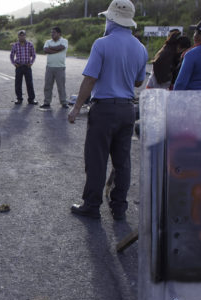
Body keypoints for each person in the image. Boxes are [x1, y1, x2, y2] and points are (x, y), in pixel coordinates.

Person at [67, 0, 147, 220]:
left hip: (104, 110)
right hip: (128, 109)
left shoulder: (101, 44)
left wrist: (76, 108)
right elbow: (139, 82)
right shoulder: (140, 48)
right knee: (123, 162)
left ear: (111, 19)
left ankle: (92, 206)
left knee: (97, 159)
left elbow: (90, 79)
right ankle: (119, 207)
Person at [40, 26, 69, 109]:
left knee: (61, 86)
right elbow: (45, 50)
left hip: (60, 67)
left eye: (54, 32)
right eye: (51, 32)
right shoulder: (48, 41)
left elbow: (61, 47)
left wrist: (51, 48)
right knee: (47, 86)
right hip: (49, 67)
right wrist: (56, 50)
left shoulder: (64, 41)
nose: (52, 34)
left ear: (59, 34)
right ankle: (46, 102)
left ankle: (63, 102)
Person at [10, 30, 37, 105]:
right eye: (20, 35)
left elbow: (33, 55)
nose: (22, 37)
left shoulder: (30, 44)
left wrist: (31, 63)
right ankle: (19, 99)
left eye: (23, 35)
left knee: (29, 83)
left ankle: (31, 99)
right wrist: (14, 63)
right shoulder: (15, 45)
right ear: (18, 36)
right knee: (18, 83)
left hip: (27, 66)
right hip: (19, 66)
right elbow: (12, 55)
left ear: (25, 36)